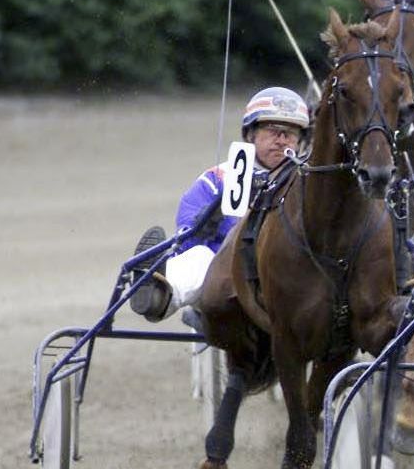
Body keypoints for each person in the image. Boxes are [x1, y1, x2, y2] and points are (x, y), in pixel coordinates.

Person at [128, 87, 309, 322]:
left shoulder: (310, 184)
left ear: (301, 142)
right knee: (199, 257)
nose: (281, 140)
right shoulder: (218, 179)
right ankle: (157, 293)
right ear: (250, 134)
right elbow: (186, 239)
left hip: (290, 278)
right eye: (273, 130)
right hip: (225, 278)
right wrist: (206, 221)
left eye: (290, 133)